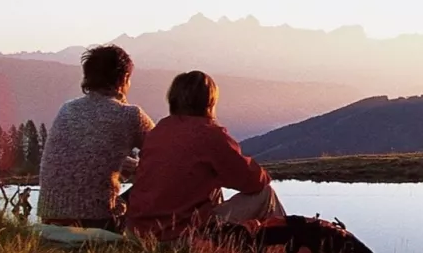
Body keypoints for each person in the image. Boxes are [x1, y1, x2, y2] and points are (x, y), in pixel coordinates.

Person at [123, 70, 286, 240]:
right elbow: (254, 182)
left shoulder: (159, 131)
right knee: (265, 194)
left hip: (137, 231)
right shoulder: (209, 135)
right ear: (209, 102)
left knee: (212, 189)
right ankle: (287, 248)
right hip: (177, 234)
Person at [37, 44, 154, 229]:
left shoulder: (67, 109)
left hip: (49, 216)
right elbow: (166, 153)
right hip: (97, 220)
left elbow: (87, 157)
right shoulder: (131, 115)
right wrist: (141, 168)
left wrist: (122, 164)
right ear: (124, 78)